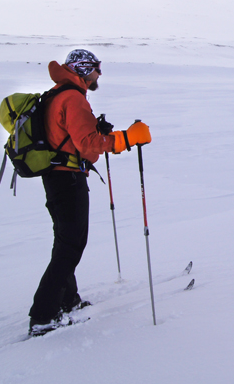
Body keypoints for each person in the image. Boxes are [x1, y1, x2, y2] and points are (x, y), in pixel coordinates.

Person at [28, 49, 151, 336]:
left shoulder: (61, 93)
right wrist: (125, 139)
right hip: (67, 179)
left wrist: (97, 128)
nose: (99, 74)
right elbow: (87, 143)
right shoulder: (72, 98)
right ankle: (43, 316)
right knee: (70, 247)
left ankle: (68, 301)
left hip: (57, 176)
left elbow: (73, 135)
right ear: (83, 70)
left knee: (66, 243)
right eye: (96, 68)